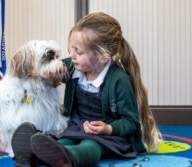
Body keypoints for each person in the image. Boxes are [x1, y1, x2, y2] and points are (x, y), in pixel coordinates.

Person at [11, 12, 161, 167]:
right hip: (77, 126)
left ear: (103, 57)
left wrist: (108, 128)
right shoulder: (72, 66)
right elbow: (46, 69)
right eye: (72, 48)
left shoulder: (119, 80)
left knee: (91, 146)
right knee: (63, 140)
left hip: (109, 135)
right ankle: (31, 156)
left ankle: (68, 159)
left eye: (79, 52)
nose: (72, 55)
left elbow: (131, 122)